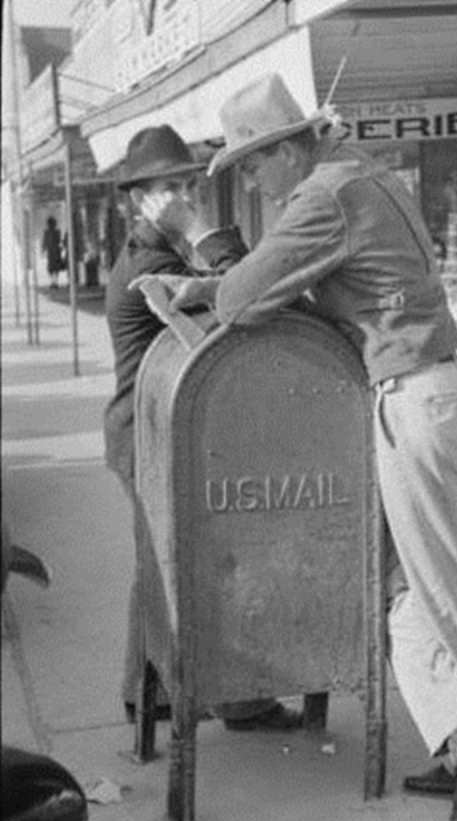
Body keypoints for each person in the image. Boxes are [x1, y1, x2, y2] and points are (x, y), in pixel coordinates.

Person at [140, 74, 457, 821]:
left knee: (439, 590)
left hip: (412, 404)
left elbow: (247, 299)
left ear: (287, 148)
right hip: (448, 395)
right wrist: (208, 289)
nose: (254, 182)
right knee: (392, 586)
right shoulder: (370, 175)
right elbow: (309, 286)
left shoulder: (323, 197)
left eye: (253, 165)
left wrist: (205, 289)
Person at [104, 123, 302, 731]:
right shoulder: (153, 263)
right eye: (170, 188)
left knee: (159, 561)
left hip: (149, 428)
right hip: (154, 432)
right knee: (204, 561)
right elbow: (252, 302)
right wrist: (199, 232)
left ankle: (148, 693)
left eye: (187, 185)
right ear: (140, 199)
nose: (185, 198)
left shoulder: (156, 253)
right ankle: (238, 699)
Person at [41, 217, 62, 288]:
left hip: (54, 251)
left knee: (54, 268)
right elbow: (45, 242)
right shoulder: (54, 232)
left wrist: (43, 250)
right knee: (53, 268)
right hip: (54, 252)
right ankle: (54, 282)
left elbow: (45, 242)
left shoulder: (55, 232)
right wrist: (43, 249)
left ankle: (54, 282)